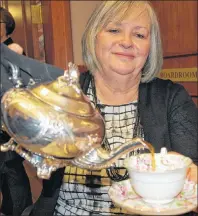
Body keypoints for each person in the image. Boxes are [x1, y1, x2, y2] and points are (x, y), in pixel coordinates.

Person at [28, 1, 197, 216]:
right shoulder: (64, 93)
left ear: (150, 47)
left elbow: (193, 170)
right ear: (94, 36)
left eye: (139, 35)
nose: (126, 42)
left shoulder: (172, 97)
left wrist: (184, 175)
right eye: (114, 30)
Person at [0, 7, 32, 216]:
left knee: (10, 168)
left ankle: (19, 210)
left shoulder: (14, 49)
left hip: (8, 120)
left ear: (7, 26)